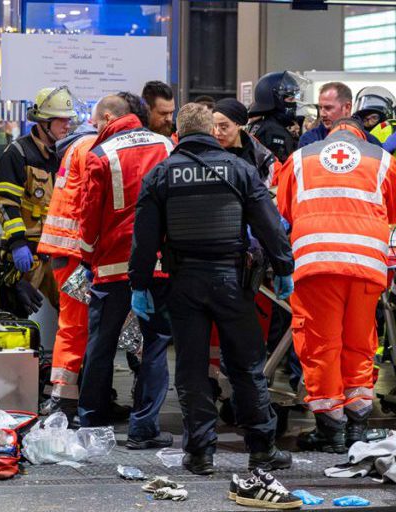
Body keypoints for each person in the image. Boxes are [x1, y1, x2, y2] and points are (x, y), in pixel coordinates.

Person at [131, 102, 295, 474]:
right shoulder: (239, 169)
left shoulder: (161, 175)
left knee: (191, 369)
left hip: (184, 282)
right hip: (232, 282)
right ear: (211, 131)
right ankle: (262, 448)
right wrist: (284, 268)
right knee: (247, 366)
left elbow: (144, 239)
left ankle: (201, 453)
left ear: (178, 133)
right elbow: (269, 225)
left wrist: (139, 285)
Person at [276, 117, 396, 453]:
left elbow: (285, 209)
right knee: (360, 343)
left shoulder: (301, 157)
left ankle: (330, 428)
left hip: (317, 264)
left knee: (321, 345)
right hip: (366, 265)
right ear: (360, 135)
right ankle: (357, 427)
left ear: (330, 132)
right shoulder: (380, 158)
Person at [76, 94, 175, 449]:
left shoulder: (101, 156)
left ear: (107, 118)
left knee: (101, 344)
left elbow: (88, 217)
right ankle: (143, 427)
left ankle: (90, 421)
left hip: (112, 265)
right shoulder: (166, 144)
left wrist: (86, 258)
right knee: (155, 344)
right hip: (160, 264)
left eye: (95, 122)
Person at [0, 86, 75, 312]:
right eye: (61, 120)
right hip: (26, 256)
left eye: (69, 120)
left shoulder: (66, 155)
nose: (67, 125)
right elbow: (5, 203)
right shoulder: (17, 154)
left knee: (74, 316)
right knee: (11, 317)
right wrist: (17, 243)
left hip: (58, 254)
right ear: (43, 122)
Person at [35, 117, 98, 414]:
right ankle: (63, 401)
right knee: (75, 327)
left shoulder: (73, 149)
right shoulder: (88, 148)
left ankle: (63, 395)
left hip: (65, 252)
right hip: (75, 253)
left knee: (73, 326)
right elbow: (92, 201)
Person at [213, 98, 278, 182]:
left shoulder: (264, 159)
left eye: (224, 127)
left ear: (239, 125)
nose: (217, 132)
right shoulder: (205, 154)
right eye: (214, 126)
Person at [247, 71, 303, 164]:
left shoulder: (259, 125)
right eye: (290, 99)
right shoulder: (274, 132)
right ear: (275, 100)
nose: (294, 103)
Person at [298, 82, 352, 148]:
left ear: (347, 107)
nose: (322, 114)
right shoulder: (309, 140)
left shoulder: (365, 139)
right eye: (320, 108)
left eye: (328, 108)